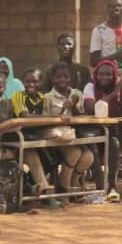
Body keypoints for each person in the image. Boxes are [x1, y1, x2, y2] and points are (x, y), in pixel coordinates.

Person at [83, 60, 122, 201]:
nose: (105, 77)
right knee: (93, 146)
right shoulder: (90, 87)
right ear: (96, 75)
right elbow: (92, 109)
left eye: (109, 74)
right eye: (101, 74)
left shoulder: (121, 88)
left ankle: (112, 185)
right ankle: (99, 183)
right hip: (93, 130)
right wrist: (116, 91)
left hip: (113, 131)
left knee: (114, 144)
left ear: (114, 75)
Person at [43, 62, 94, 195]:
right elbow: (44, 119)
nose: (62, 80)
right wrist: (62, 110)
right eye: (58, 77)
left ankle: (74, 182)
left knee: (88, 156)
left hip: (75, 135)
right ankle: (64, 185)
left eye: (65, 77)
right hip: (57, 136)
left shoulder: (76, 94)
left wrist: (74, 106)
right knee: (74, 153)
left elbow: (82, 116)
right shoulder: (48, 97)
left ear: (70, 78)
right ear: (52, 79)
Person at [9, 68, 54, 194]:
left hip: (38, 137)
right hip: (21, 138)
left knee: (55, 157)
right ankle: (45, 190)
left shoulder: (43, 98)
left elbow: (49, 118)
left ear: (41, 83)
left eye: (34, 81)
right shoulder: (18, 96)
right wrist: (48, 118)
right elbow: (25, 116)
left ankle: (35, 187)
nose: (31, 85)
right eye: (27, 81)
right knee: (32, 155)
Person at [89, 0, 122, 71]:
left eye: (120, 6)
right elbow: (94, 62)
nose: (117, 8)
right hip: (107, 75)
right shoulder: (98, 30)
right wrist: (118, 55)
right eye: (113, 6)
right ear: (107, 9)